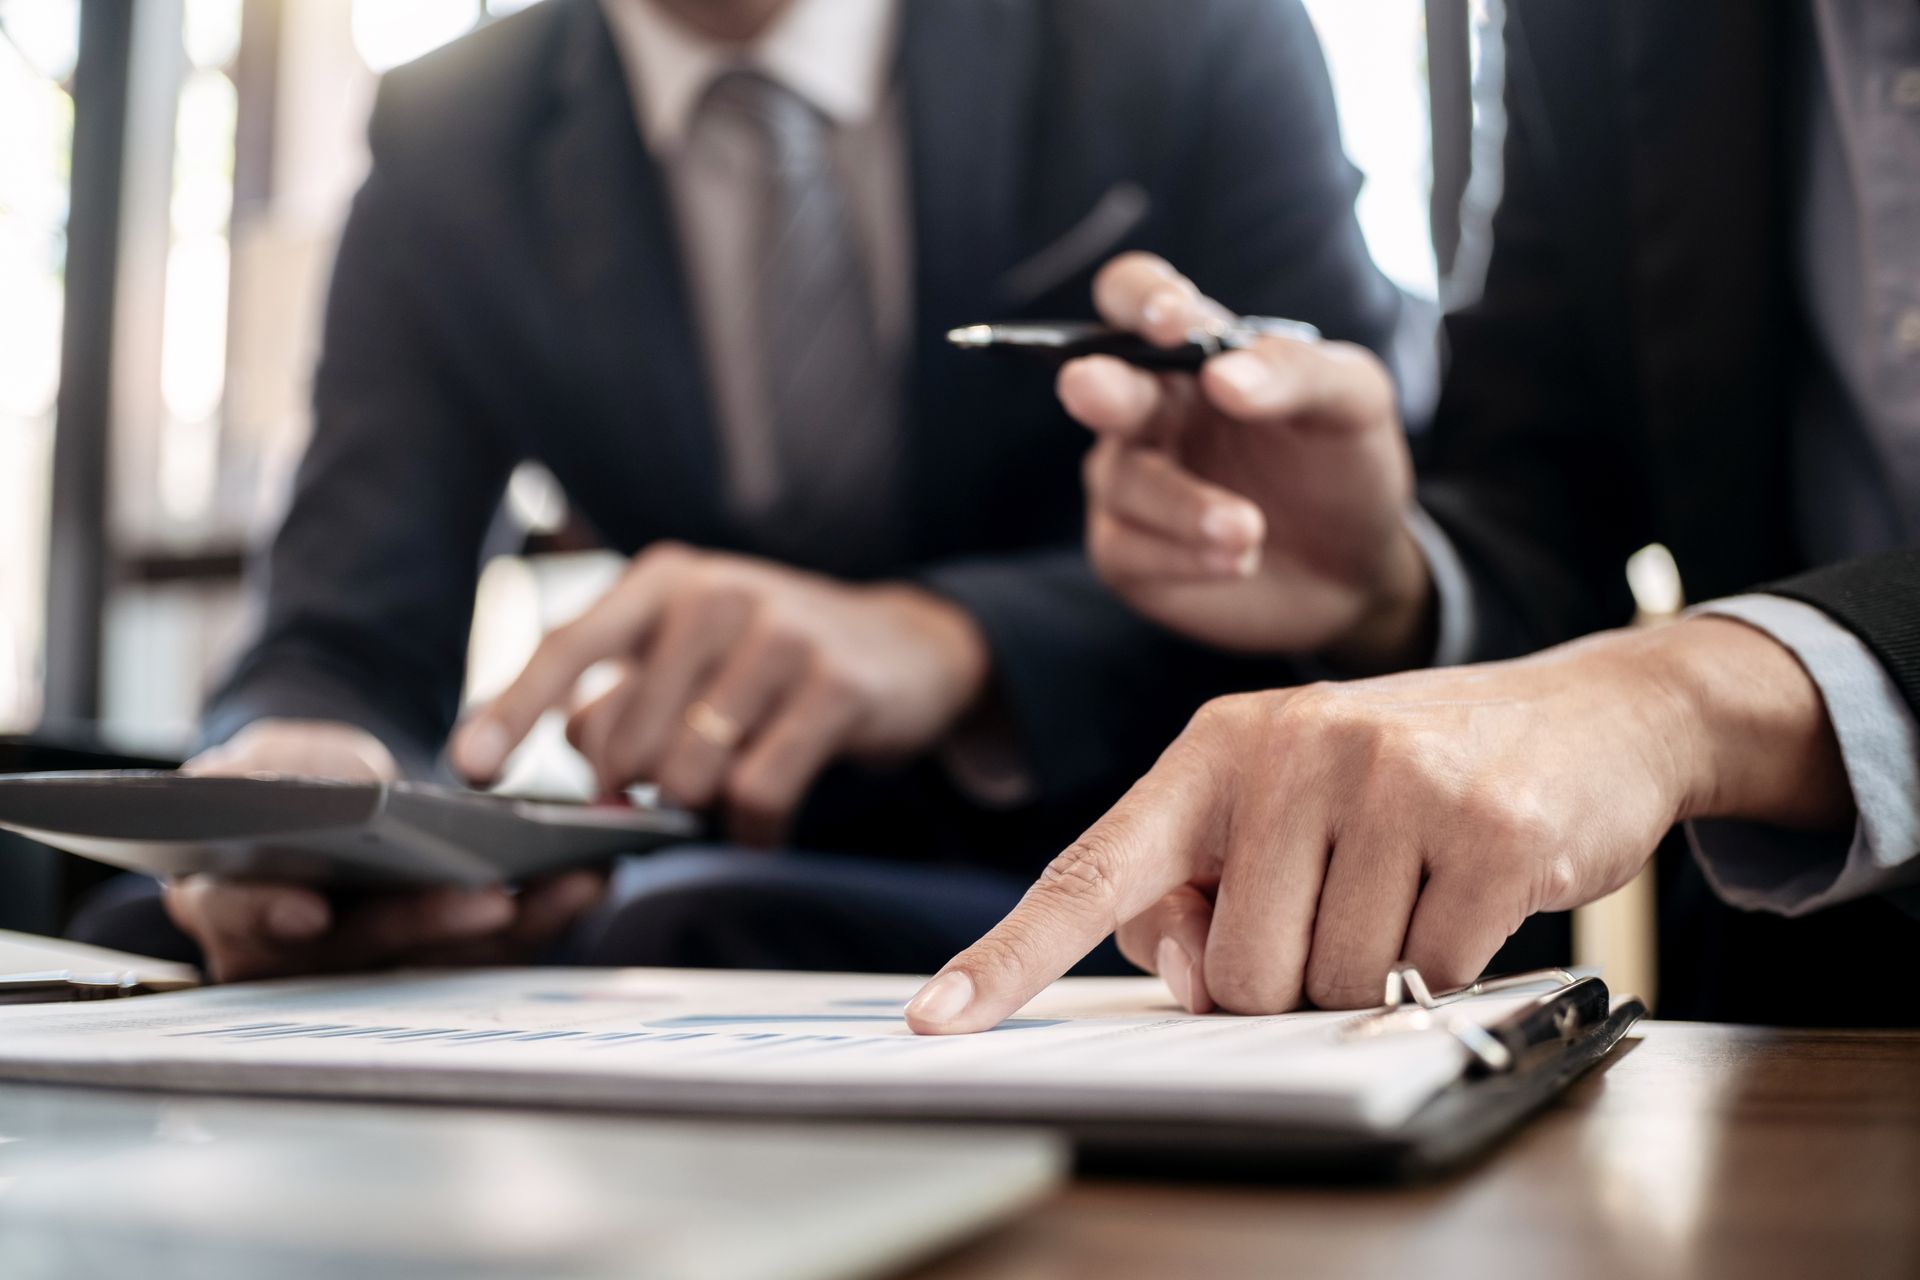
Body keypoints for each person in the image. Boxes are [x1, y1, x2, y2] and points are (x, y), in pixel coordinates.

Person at [72, 0, 1412, 981]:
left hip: (1153, 854)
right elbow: (343, 629)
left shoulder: (1178, 34)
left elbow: (1367, 546)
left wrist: (955, 643)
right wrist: (307, 772)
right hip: (727, 863)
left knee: (682, 930)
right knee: (163, 933)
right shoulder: (452, 133)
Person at [904, 0, 1920, 1036]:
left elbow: (1632, 698)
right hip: (1797, 1021)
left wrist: (1687, 697)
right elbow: (1551, 490)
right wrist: (1385, 577)